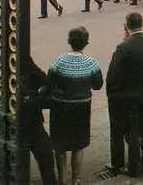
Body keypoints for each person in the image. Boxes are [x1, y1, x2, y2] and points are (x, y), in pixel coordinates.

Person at [106, 12, 143, 178]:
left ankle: (134, 167)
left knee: (131, 131)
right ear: (142, 24)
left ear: (126, 26)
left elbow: (113, 76)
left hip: (129, 94)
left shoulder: (123, 47)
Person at [45, 27, 104, 185]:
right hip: (82, 108)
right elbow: (98, 85)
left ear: (69, 41)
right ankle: (75, 179)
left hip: (60, 107)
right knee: (78, 144)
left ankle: (62, 179)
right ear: (86, 43)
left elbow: (49, 84)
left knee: (60, 145)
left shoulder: (59, 61)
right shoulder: (91, 62)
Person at [22, 56, 57, 185]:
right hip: (10, 126)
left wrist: (35, 100)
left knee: (46, 157)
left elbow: (45, 82)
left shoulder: (25, 64)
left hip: (33, 123)